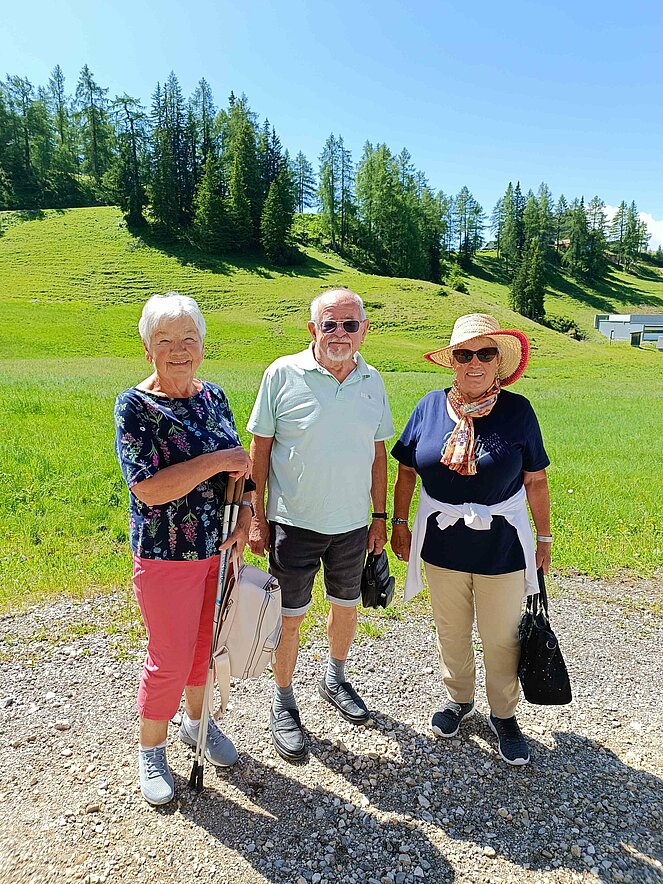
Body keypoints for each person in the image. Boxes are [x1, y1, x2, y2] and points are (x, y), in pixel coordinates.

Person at [390, 313, 552, 766]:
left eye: (485, 353)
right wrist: (399, 523)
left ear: (498, 362)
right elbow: (406, 470)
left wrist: (544, 537)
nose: (474, 362)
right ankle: (459, 698)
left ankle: (504, 714)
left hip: (502, 546)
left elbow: (535, 480)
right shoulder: (429, 406)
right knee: (451, 630)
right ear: (453, 362)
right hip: (442, 544)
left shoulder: (518, 411)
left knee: (501, 637)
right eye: (464, 354)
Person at [114, 292, 253, 805]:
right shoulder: (135, 406)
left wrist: (246, 515)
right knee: (169, 657)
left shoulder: (214, 396)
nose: (178, 350)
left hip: (218, 547)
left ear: (202, 346)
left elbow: (241, 468)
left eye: (188, 339)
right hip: (165, 555)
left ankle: (198, 724)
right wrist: (217, 460)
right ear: (147, 347)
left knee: (204, 649)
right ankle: (151, 749)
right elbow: (148, 488)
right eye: (166, 340)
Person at [247, 289, 394, 763]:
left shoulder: (372, 380)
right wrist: (254, 516)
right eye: (329, 324)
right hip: (293, 523)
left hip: (352, 526)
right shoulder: (281, 373)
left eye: (350, 325)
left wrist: (378, 517)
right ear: (313, 329)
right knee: (289, 618)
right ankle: (283, 700)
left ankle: (335, 677)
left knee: (346, 609)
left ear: (364, 330)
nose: (340, 334)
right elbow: (260, 449)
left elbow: (377, 454)